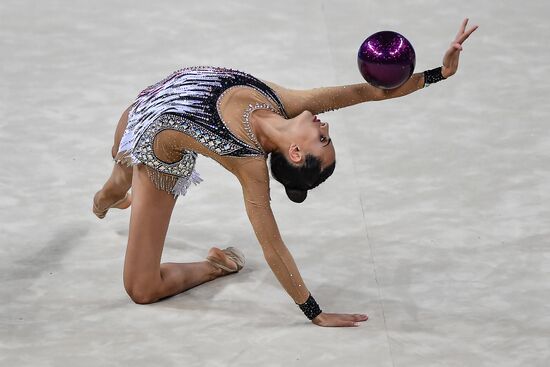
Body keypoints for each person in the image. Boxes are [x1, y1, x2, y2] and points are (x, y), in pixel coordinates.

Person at [92, 19, 478, 327]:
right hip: (145, 104)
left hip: (160, 153)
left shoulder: (249, 163)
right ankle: (116, 192)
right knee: (110, 191)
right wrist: (439, 74)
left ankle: (216, 265)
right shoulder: (287, 104)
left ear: (295, 153)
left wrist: (314, 311)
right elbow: (367, 92)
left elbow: (272, 244)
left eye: (323, 140)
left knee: (142, 289)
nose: (326, 128)